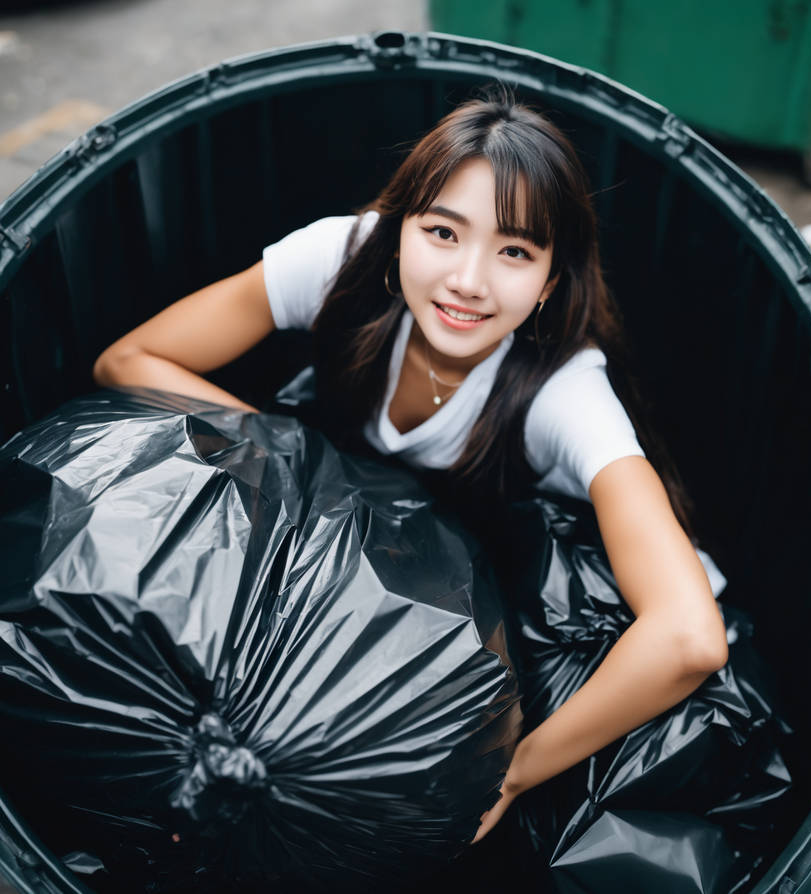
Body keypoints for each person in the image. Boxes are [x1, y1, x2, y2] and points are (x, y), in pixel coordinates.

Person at [93, 90, 729, 845]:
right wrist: (306, 473)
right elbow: (131, 361)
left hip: (572, 633)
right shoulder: (339, 260)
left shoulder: (565, 395)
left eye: (515, 252)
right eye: (442, 232)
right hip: (405, 573)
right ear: (397, 232)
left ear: (551, 284)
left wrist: (516, 771)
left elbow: (690, 635)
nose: (468, 279)